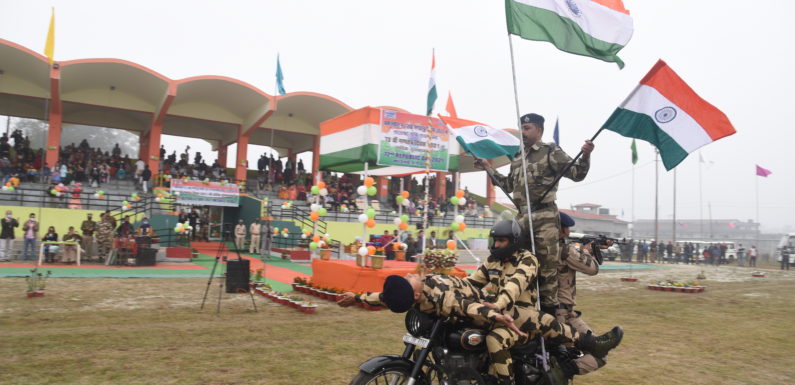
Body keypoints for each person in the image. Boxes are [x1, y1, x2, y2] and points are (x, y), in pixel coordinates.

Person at [338, 272, 622, 385]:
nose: (414, 275)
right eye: (411, 280)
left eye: (410, 278)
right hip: (479, 312)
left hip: (492, 309)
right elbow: (386, 298)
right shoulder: (419, 297)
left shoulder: (442, 297)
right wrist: (357, 299)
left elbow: (470, 308)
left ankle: (590, 342)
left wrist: (499, 317)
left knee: (540, 321)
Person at [475, 113, 594, 315]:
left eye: (528, 128)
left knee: (547, 270)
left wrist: (585, 155)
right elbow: (508, 185)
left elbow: (577, 174)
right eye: (521, 128)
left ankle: (550, 321)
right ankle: (521, 311)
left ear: (539, 130)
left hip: (545, 218)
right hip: (522, 218)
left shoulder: (551, 151)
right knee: (519, 265)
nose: (523, 132)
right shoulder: (517, 156)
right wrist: (488, 168)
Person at [556, 212, 613, 375]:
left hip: (558, 311)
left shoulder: (549, 248)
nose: (568, 231)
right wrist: (587, 251)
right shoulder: (565, 251)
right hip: (563, 314)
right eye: (566, 228)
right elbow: (592, 268)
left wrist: (585, 248)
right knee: (600, 353)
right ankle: (561, 374)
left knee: (560, 356)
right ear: (561, 229)